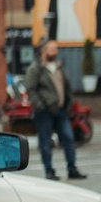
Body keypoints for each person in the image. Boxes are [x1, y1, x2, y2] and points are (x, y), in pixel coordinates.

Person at [27, 40, 84, 182]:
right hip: (44, 112)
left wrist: (69, 104)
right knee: (45, 142)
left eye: (56, 49)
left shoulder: (59, 67)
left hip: (61, 111)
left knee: (69, 138)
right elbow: (31, 90)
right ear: (43, 52)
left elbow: (67, 87)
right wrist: (40, 105)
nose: (55, 52)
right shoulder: (36, 69)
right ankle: (49, 171)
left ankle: (72, 169)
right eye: (52, 49)